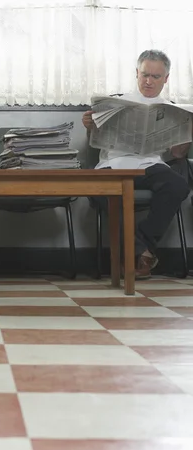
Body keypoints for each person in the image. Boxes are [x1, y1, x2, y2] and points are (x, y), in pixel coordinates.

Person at [82, 49, 190, 279]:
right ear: (137, 73)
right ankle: (142, 254)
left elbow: (178, 154)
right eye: (145, 75)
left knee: (178, 185)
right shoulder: (116, 102)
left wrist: (188, 134)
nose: (149, 81)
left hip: (150, 164)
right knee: (99, 191)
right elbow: (93, 142)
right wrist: (89, 126)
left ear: (166, 79)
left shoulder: (172, 109)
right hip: (113, 164)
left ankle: (140, 246)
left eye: (156, 77)